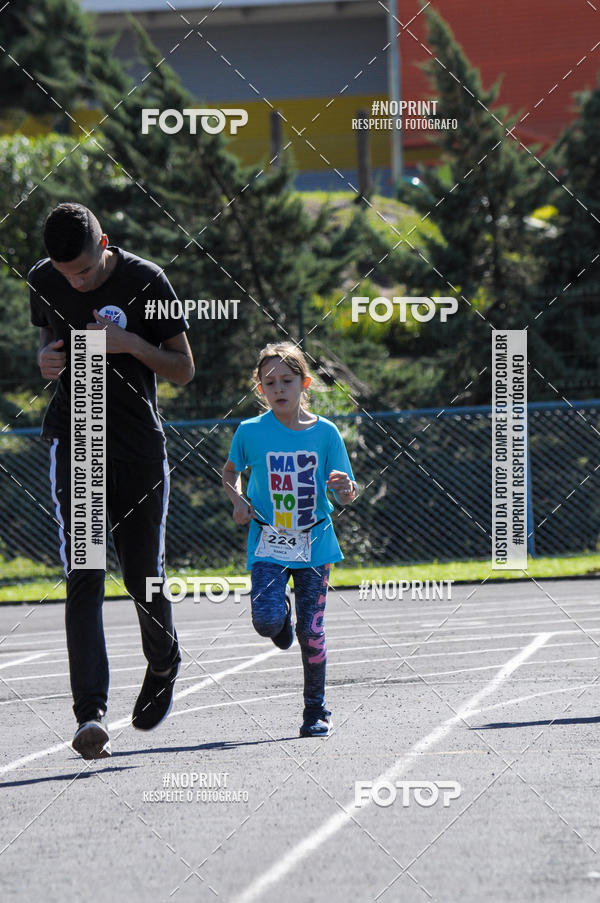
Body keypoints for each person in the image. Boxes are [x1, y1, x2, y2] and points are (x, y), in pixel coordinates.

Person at [29, 202, 195, 759]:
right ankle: (89, 714)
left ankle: (164, 661)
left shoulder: (147, 281)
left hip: (137, 448)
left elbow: (183, 368)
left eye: (82, 272)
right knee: (85, 574)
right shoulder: (44, 279)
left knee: (144, 577)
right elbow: (52, 350)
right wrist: (47, 362)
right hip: (78, 443)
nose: (73, 282)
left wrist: (133, 347)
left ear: (104, 245)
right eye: (64, 273)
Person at [222, 342, 357, 737]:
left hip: (315, 541)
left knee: (311, 630)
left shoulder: (326, 433)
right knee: (267, 621)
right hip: (269, 542)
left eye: (287, 380)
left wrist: (345, 489)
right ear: (260, 389)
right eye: (270, 382)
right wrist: (239, 500)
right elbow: (230, 473)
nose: (279, 388)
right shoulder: (250, 432)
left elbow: (346, 492)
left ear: (305, 383)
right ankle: (278, 622)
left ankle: (316, 711)